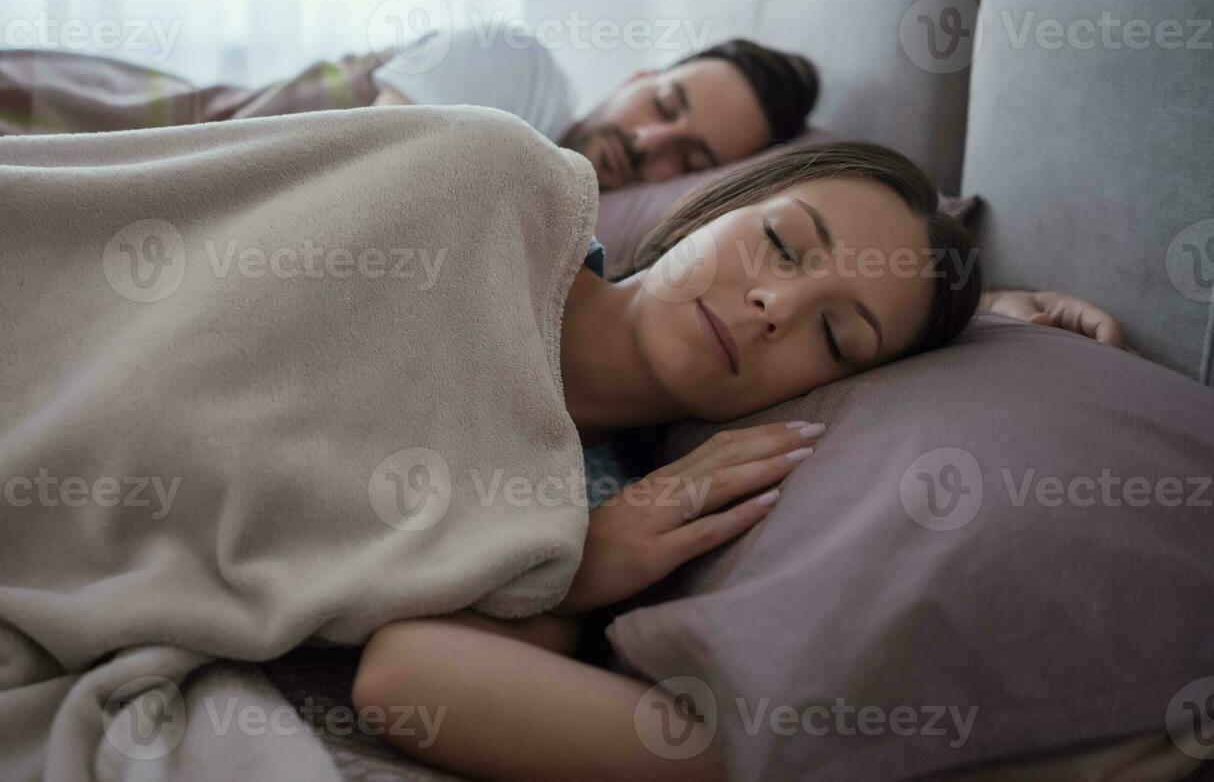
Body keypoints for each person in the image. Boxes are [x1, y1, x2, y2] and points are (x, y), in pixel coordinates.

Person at [349, 140, 1131, 780]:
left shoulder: (605, 512)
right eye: (783, 246)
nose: (777, 308)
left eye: (834, 339)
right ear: (720, 204)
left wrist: (566, 582)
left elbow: (403, 677)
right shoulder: (504, 191)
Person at [372, 26, 821, 190]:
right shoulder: (512, 62)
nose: (649, 142)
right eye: (664, 106)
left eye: (688, 160)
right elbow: (364, 158)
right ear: (637, 79)